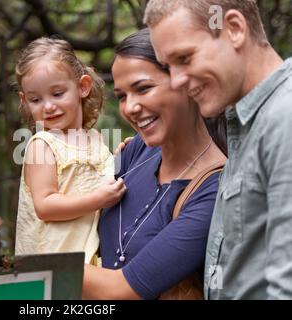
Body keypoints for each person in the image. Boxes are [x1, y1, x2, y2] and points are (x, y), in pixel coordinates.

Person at [144, 0, 292, 299]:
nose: (177, 81)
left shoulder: (284, 118)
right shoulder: (245, 123)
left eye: (184, 58)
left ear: (234, 29)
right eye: (168, 67)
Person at [82, 28, 227, 299]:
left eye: (143, 88)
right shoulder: (138, 149)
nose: (130, 108)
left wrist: (36, 264)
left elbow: (122, 290)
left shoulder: (216, 190)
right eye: (122, 96)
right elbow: (81, 196)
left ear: (187, 82)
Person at [14, 37, 126, 264]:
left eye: (57, 94)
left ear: (82, 87)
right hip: (50, 265)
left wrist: (121, 157)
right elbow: (45, 206)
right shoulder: (42, 144)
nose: (48, 106)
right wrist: (98, 199)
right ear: (25, 101)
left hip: (89, 262)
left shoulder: (96, 140)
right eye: (36, 99)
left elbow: (97, 181)